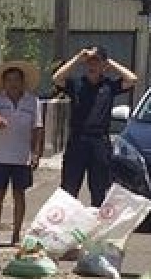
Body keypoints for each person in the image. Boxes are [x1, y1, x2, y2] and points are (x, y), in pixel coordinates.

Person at [51, 46, 138, 205]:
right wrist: (77, 58)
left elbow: (132, 79)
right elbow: (57, 78)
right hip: (77, 140)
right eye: (90, 62)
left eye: (96, 62)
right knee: (69, 188)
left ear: (103, 66)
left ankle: (96, 224)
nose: (92, 66)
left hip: (99, 142)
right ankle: (67, 224)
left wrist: (109, 62)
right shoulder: (77, 84)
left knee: (99, 189)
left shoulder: (109, 86)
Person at [0, 60, 44, 247]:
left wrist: (36, 153)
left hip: (22, 156)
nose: (13, 83)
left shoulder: (32, 101)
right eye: (9, 80)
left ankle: (16, 234)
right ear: (4, 82)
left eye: (16, 79)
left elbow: (38, 128)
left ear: (22, 82)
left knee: (19, 195)